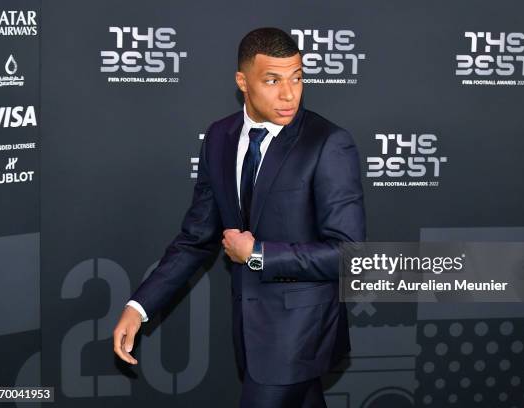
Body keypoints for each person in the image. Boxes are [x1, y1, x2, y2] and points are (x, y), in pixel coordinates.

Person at [113, 27, 366, 407]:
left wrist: (258, 253)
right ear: (242, 82)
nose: (289, 94)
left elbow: (349, 254)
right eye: (272, 80)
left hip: (299, 333)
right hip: (249, 333)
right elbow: (195, 238)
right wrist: (140, 306)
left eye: (297, 78)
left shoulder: (328, 143)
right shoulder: (219, 137)